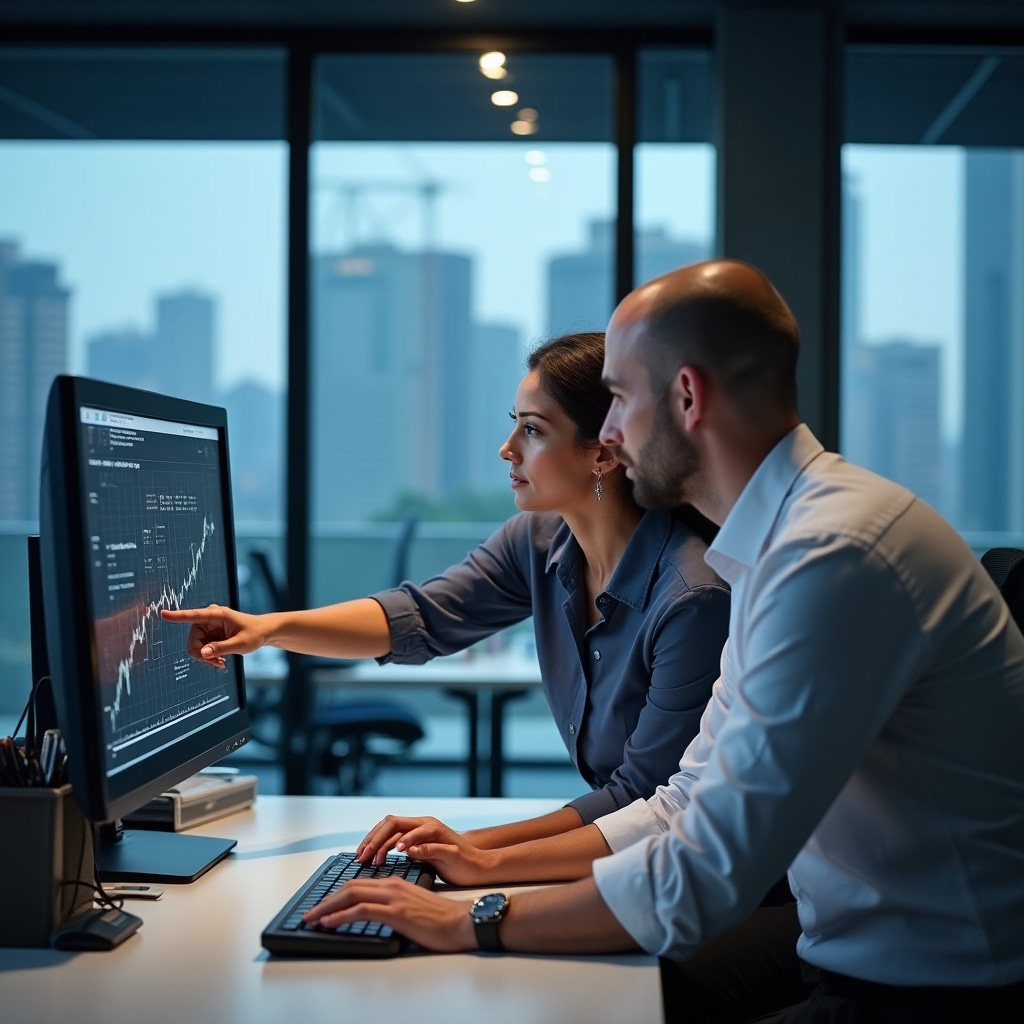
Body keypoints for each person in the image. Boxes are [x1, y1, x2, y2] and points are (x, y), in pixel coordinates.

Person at [301, 260, 1024, 1023]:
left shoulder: (832, 555)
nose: (607, 433)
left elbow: (701, 878)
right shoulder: (777, 542)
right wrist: (483, 867)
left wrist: (472, 916)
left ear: (686, 397)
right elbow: (680, 803)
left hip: (938, 991)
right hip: (848, 951)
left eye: (616, 397)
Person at [163, 330, 730, 847]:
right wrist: (267, 629)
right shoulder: (539, 541)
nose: (507, 448)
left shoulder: (691, 597)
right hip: (625, 853)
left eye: (532, 429)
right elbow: (419, 617)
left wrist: (470, 848)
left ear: (603, 451)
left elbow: (645, 802)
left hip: (704, 881)